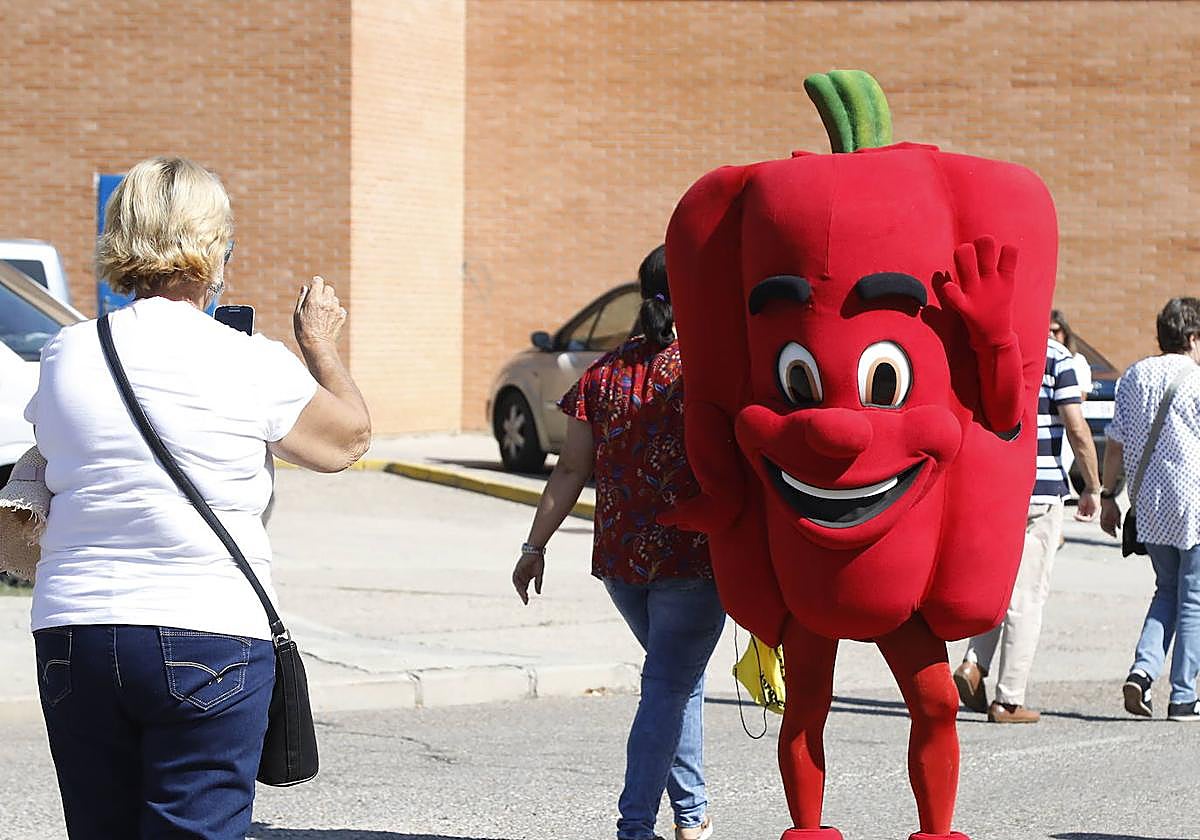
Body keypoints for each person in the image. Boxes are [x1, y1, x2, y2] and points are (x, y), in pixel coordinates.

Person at [26, 156, 371, 839]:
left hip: (75, 632)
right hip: (206, 628)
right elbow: (347, 441)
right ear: (216, 247)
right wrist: (318, 344)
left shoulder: (67, 353)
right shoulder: (248, 361)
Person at [512, 245, 724, 840]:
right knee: (668, 685)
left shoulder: (602, 374)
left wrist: (534, 547)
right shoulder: (709, 370)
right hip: (694, 559)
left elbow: (568, 470)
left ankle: (692, 815)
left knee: (675, 679)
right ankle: (635, 826)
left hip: (622, 564)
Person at [953, 330, 1100, 723]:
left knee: (999, 586)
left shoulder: (992, 348)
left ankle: (973, 664)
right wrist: (1093, 486)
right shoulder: (1057, 358)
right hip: (1041, 488)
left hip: (995, 485)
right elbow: (1076, 427)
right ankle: (1009, 698)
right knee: (1027, 596)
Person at [1101, 297, 1200, 721]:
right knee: (1193, 598)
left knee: (1167, 590)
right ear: (1193, 337)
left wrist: (1108, 494)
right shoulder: (1196, 381)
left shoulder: (1133, 376)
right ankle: (1183, 694)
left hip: (1148, 504)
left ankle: (1143, 673)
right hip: (1193, 504)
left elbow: (1116, 443)